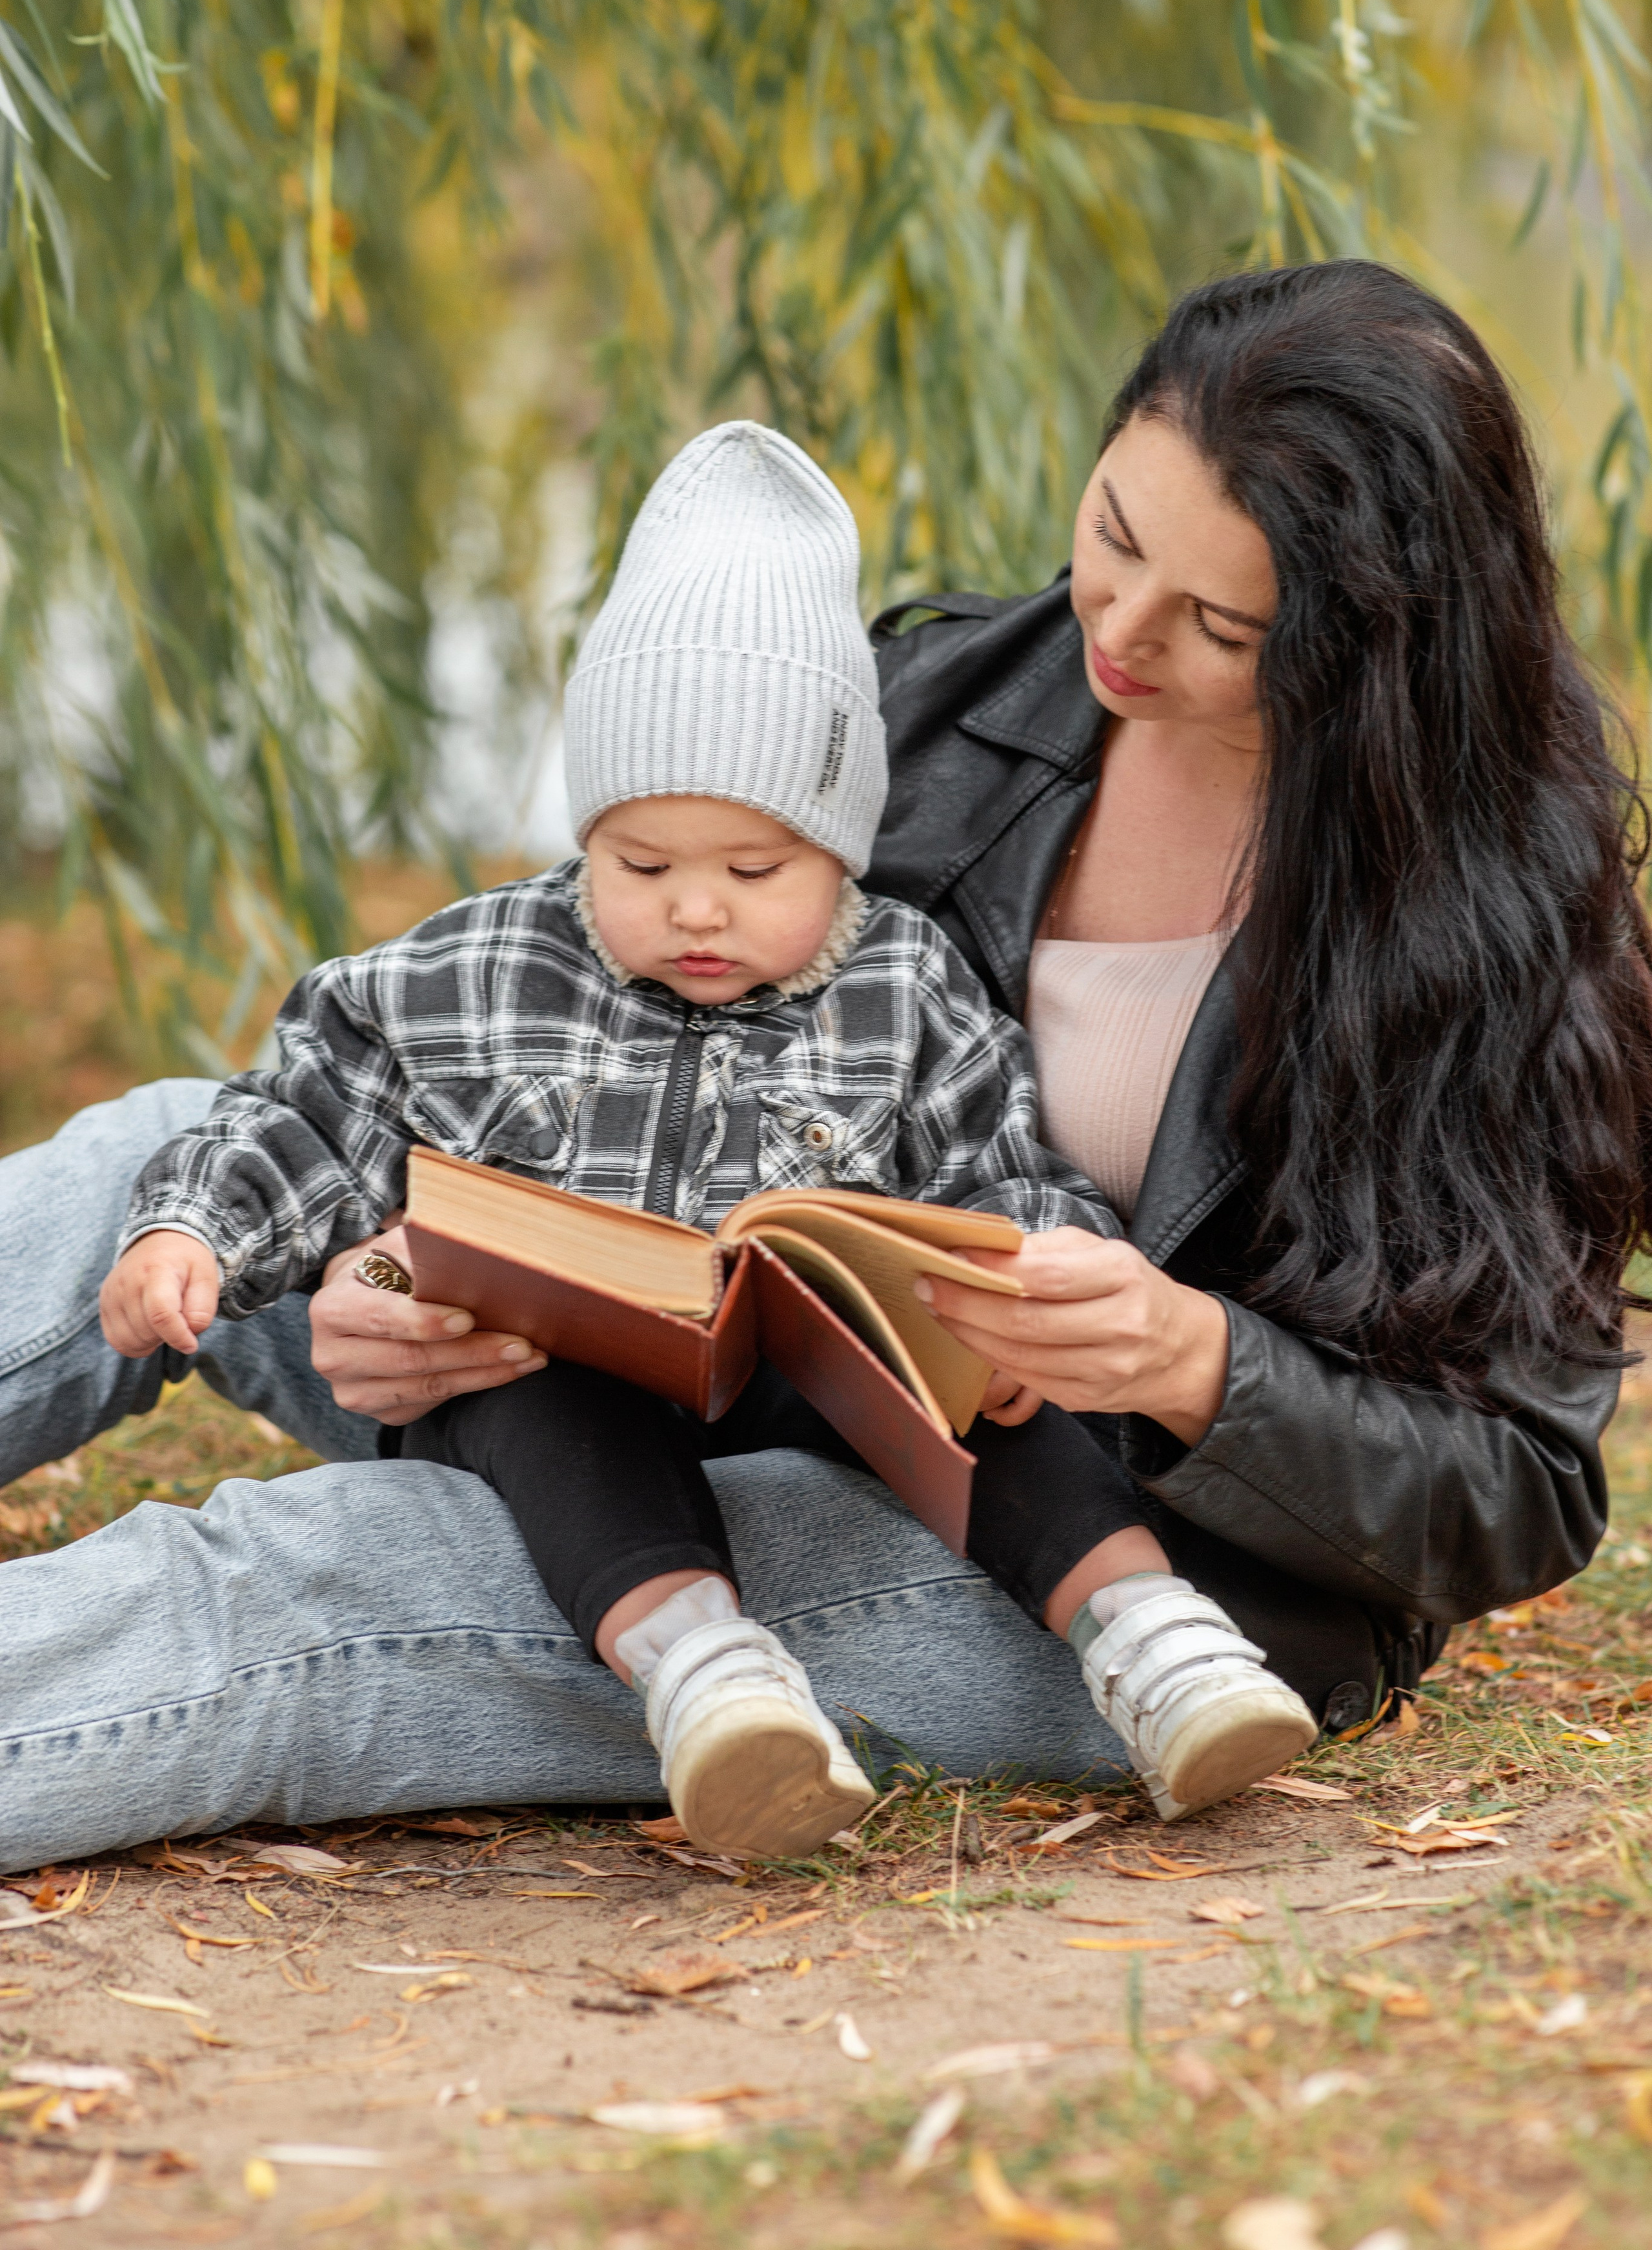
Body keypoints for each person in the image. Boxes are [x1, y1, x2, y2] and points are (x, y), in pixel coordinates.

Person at [0, 261, 1633, 1878]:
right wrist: (396, 1270)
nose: (1115, 634)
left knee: (324, 1577)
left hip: (1076, 1527)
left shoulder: (1493, 929)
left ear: (1372, 649)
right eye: (1113, 536)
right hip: (655, 1370)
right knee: (175, 1154)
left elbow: (1517, 1489)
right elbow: (592, 1002)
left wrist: (1193, 1359)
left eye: (1220, 624)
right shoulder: (930, 703)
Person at [95, 422, 1316, 1856]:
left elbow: (1004, 1169)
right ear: (586, 832)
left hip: (804, 1385)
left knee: (992, 1414)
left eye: (753, 870)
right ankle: (704, 1676)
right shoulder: (484, 965)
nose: (694, 911)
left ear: (838, 848)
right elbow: (308, 1104)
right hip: (564, 1364)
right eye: (640, 863)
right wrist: (192, 1228)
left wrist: (1036, 1282)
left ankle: (1146, 1630)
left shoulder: (901, 984)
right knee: (539, 1407)